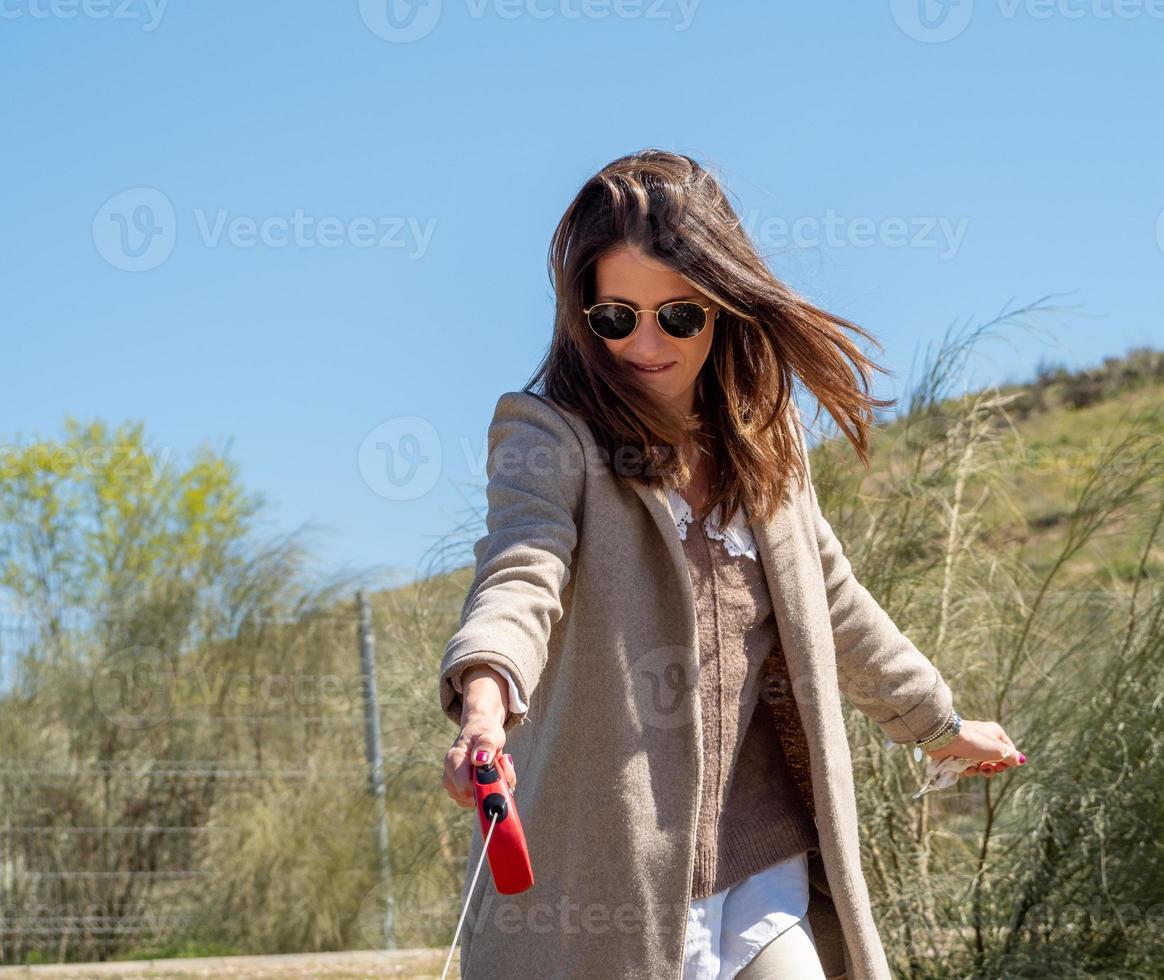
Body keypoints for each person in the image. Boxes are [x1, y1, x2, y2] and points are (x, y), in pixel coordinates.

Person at [438, 149, 1025, 980]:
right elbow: (520, 570)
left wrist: (937, 725)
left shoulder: (766, 441)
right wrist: (485, 708)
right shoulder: (548, 435)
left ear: (721, 308)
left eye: (678, 316)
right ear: (583, 315)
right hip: (605, 879)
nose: (645, 343)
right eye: (615, 317)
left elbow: (833, 601)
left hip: (757, 859)